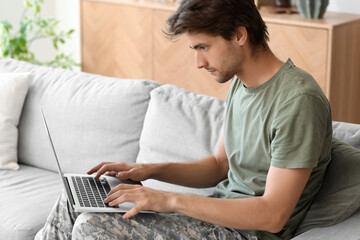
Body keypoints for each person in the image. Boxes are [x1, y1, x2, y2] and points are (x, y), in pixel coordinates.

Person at [35, 0, 332, 239]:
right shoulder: (241, 85)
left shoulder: (297, 101)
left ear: (240, 35)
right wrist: (148, 170)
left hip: (244, 234)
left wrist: (167, 199)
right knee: (73, 201)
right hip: (214, 216)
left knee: (92, 226)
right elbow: (220, 165)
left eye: (203, 47)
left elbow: (273, 215)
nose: (198, 62)